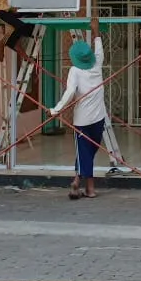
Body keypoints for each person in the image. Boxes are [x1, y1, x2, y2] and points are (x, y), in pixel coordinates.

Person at [50, 18, 107, 200]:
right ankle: (84, 185)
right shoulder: (97, 64)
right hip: (99, 118)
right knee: (88, 152)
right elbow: (99, 49)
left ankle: (82, 184)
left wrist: (56, 110)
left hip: (82, 121)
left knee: (85, 153)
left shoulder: (75, 71)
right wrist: (95, 30)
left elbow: (69, 92)